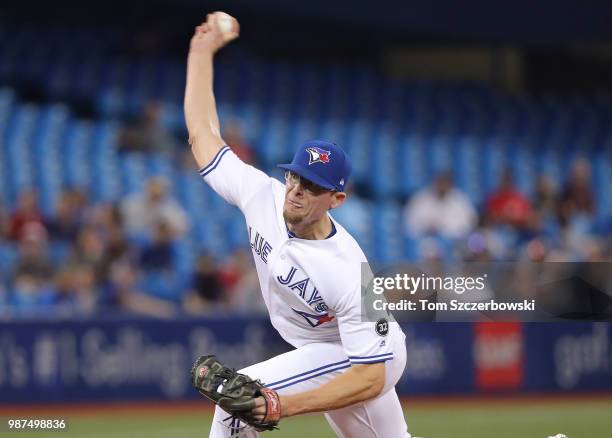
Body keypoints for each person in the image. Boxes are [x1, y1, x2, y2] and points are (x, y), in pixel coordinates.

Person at [184, 12, 409, 437]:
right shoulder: (259, 195)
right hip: (326, 350)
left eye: (313, 185)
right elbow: (202, 134)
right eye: (295, 177)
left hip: (368, 357)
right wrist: (200, 51)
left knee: (238, 406)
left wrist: (278, 405)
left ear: (336, 199)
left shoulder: (349, 271)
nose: (297, 190)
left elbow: (373, 376)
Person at [404, 171, 477, 239]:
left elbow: (470, 224)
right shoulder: (420, 199)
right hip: (426, 242)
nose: (443, 186)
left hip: (454, 242)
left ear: (451, 184)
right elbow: (410, 223)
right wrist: (426, 227)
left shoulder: (461, 200)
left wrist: (445, 229)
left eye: (446, 183)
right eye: (441, 182)